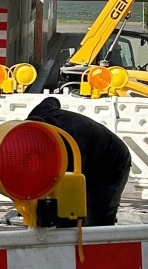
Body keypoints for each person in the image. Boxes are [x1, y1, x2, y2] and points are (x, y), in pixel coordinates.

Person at [24, 95, 132, 226]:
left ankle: (98, 244)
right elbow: (52, 100)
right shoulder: (40, 113)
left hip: (112, 164)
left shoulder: (72, 145)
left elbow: (71, 191)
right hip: (92, 151)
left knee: (97, 219)